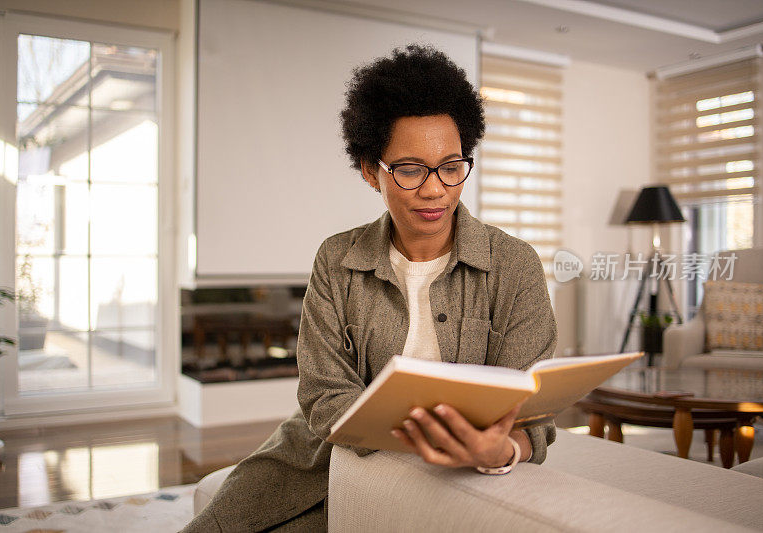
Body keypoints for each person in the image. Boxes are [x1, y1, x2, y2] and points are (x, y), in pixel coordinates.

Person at [182, 44, 557, 533]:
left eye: (451, 165)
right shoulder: (337, 259)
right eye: (409, 169)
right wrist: (403, 435)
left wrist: (503, 450)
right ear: (370, 171)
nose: (435, 189)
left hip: (450, 475)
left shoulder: (515, 265)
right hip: (321, 456)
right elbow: (323, 393)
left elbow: (532, 412)